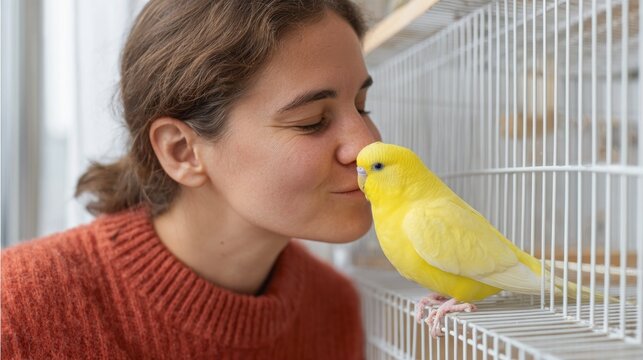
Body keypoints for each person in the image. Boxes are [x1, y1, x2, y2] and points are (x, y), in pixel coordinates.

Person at [1, 0, 381, 358]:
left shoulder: (334, 309)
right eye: (312, 121)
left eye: (361, 107)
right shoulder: (17, 311)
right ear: (180, 151)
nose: (368, 145)